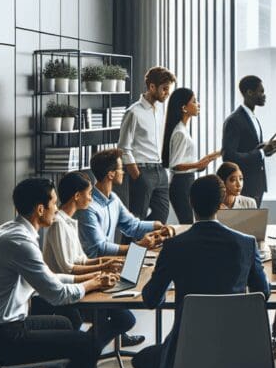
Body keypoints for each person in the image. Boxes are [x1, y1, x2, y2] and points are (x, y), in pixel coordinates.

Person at [131, 174, 272, 368]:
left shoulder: (175, 246)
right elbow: (262, 294)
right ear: (221, 203)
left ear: (190, 203)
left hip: (188, 351)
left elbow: (150, 300)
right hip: (240, 349)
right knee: (212, 348)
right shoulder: (245, 243)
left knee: (144, 361)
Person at [0, 178, 120, 368]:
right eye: (53, 202)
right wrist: (92, 285)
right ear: (40, 209)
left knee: (65, 323)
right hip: (5, 336)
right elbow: (57, 294)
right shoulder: (21, 243)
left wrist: (90, 278)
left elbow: (49, 277)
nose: (57, 208)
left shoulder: (9, 231)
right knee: (88, 344)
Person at [16, 173, 139, 368]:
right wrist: (97, 277)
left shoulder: (69, 222)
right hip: (54, 299)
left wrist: (105, 265)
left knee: (122, 318)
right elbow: (67, 269)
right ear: (76, 195)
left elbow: (79, 261)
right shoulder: (57, 225)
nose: (92, 198)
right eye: (89, 194)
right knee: (121, 319)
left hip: (65, 292)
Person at [77, 148, 172, 259]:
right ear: (111, 174)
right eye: (121, 169)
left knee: (149, 263)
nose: (123, 172)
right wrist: (139, 246)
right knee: (140, 262)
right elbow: (100, 248)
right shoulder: (88, 207)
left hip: (111, 262)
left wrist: (156, 225)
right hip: (94, 268)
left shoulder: (113, 199)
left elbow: (132, 226)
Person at [119, 66, 176, 222]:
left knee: (161, 216)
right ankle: (133, 248)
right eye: (164, 89)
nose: (167, 93)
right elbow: (123, 148)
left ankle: (146, 246)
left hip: (160, 171)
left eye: (169, 89)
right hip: (143, 171)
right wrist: (137, 175)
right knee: (137, 220)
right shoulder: (133, 112)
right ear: (152, 87)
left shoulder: (159, 110)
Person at [163, 87, 221, 224]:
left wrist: (212, 157)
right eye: (194, 101)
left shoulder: (183, 130)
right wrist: (198, 165)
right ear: (184, 108)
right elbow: (175, 165)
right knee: (187, 223)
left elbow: (187, 163)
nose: (198, 104)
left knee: (190, 223)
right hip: (181, 184)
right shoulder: (180, 133)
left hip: (187, 181)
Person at [221, 75, 276, 206]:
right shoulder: (234, 120)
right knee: (243, 226)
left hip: (257, 184)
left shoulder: (253, 118)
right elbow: (228, 156)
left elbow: (249, 148)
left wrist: (267, 148)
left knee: (253, 226)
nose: (264, 95)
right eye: (261, 91)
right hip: (243, 185)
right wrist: (261, 152)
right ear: (249, 92)